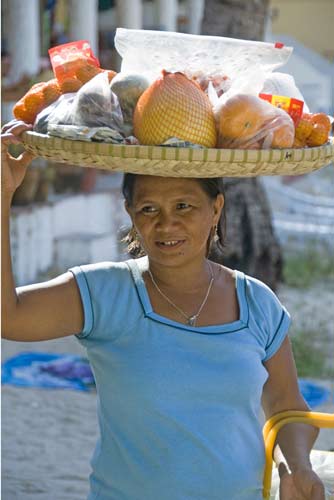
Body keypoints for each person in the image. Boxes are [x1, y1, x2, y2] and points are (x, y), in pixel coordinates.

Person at [1, 120, 325, 500]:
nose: (166, 223)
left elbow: (287, 407)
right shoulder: (104, 293)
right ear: (131, 213)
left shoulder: (257, 303)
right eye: (148, 208)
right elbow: (10, 315)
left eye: (184, 206)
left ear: (216, 208)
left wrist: (295, 467)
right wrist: (3, 194)